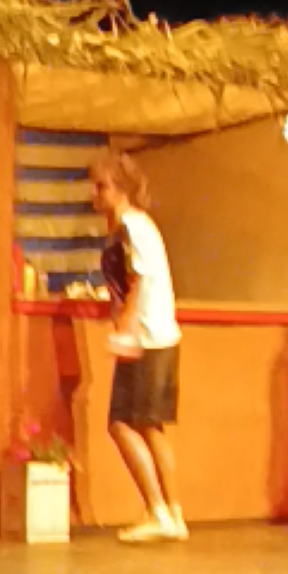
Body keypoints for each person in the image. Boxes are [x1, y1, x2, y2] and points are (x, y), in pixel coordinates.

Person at [91, 152, 187, 543]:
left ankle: (157, 510)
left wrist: (125, 330)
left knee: (120, 423)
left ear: (121, 189)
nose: (95, 194)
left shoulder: (131, 227)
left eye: (102, 186)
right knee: (150, 426)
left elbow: (138, 280)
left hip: (145, 338)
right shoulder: (137, 227)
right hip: (160, 336)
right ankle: (173, 513)